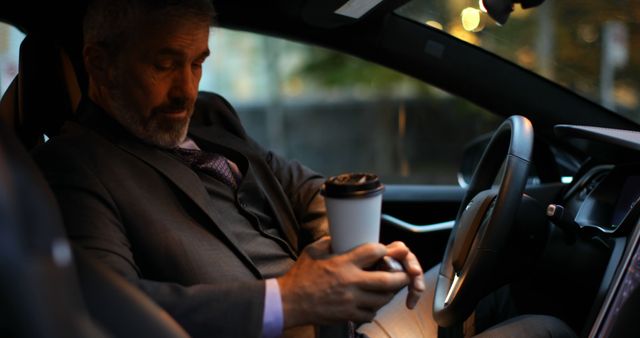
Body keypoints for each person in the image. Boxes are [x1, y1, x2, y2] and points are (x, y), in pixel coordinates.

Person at [32, 0, 426, 337]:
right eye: (165, 64)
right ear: (100, 65)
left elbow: (304, 186)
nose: (185, 91)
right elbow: (112, 311)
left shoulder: (211, 115)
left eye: (197, 63)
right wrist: (290, 299)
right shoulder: (72, 165)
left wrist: (352, 251)